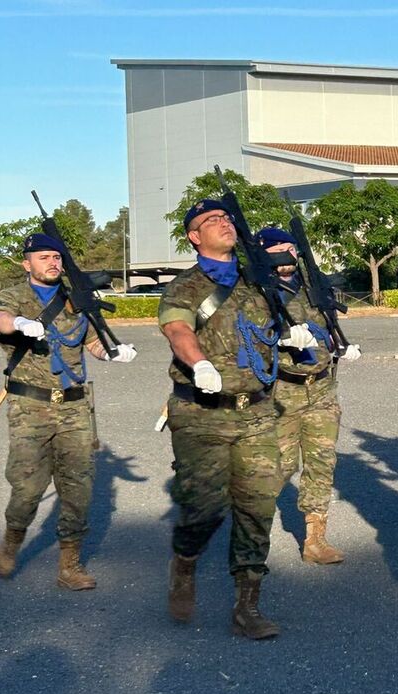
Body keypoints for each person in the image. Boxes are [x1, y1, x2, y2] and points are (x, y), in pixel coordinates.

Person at [159, 199, 284, 640]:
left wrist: (300, 335)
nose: (224, 224)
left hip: (256, 411)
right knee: (205, 508)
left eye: (226, 218)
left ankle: (247, 606)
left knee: (258, 505)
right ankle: (185, 561)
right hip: (201, 414)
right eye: (211, 220)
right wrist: (199, 364)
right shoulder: (185, 286)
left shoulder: (257, 282)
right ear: (194, 237)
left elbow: (282, 324)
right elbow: (178, 329)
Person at [0, 232, 137, 590]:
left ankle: (69, 566)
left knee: (78, 490)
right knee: (27, 487)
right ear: (27, 264)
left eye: (56, 257)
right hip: (30, 406)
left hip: (74, 407)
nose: (52, 263)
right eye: (43, 257)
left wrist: (112, 353)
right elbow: (0, 318)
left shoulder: (76, 300)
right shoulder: (15, 297)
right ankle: (13, 538)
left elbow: (90, 342)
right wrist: (21, 324)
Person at [254, 227, 361, 565]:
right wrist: (278, 340)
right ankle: (251, 531)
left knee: (321, 463)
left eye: (292, 248)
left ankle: (315, 540)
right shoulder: (257, 293)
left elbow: (327, 329)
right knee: (279, 467)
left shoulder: (313, 287)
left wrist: (340, 345)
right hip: (281, 392)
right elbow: (245, 341)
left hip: (322, 389)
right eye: (279, 248)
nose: (288, 254)